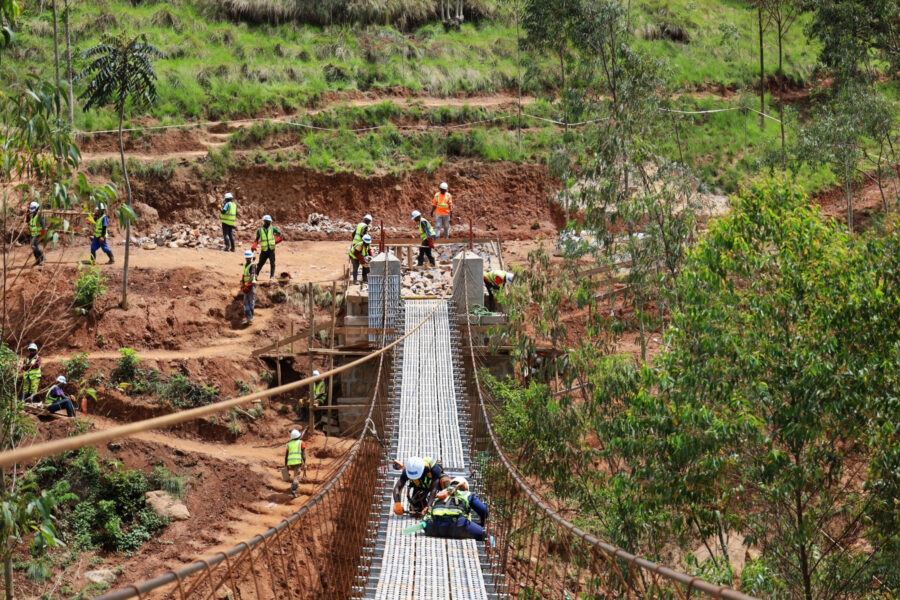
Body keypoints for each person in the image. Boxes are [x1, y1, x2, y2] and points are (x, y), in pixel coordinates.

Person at [423, 476, 488, 541]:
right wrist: (482, 524)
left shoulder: (441, 493)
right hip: (457, 526)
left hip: (434, 527)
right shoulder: (466, 494)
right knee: (485, 535)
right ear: (465, 487)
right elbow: (484, 511)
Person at [251, 215, 283, 280]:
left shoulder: (273, 228)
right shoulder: (260, 230)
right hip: (264, 250)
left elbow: (280, 234)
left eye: (269, 222)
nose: (268, 223)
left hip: (271, 249)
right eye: (267, 221)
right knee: (260, 263)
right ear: (264, 222)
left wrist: (277, 240)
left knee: (272, 263)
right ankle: (256, 275)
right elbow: (256, 240)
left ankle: (272, 276)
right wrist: (254, 246)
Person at [284, 429, 307, 498]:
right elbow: (303, 454)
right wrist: (304, 462)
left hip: (290, 462)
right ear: (299, 436)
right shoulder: (301, 443)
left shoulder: (288, 444)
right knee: (296, 476)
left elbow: (286, 456)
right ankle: (293, 491)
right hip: (297, 462)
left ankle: (296, 484)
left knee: (296, 473)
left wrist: (286, 465)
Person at [240, 250, 257, 325]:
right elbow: (245, 274)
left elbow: (252, 275)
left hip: (251, 285)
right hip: (247, 285)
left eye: (248, 258)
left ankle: (250, 317)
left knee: (250, 300)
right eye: (247, 258)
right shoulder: (246, 265)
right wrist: (243, 282)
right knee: (246, 301)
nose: (247, 259)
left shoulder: (252, 265)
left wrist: (248, 285)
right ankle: (249, 317)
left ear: (251, 258)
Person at [27, 201, 46, 266]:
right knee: (33, 247)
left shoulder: (39, 216)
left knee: (34, 246)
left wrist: (43, 236)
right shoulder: (32, 216)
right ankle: (37, 260)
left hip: (38, 234)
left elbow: (43, 227)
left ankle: (42, 258)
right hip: (33, 235)